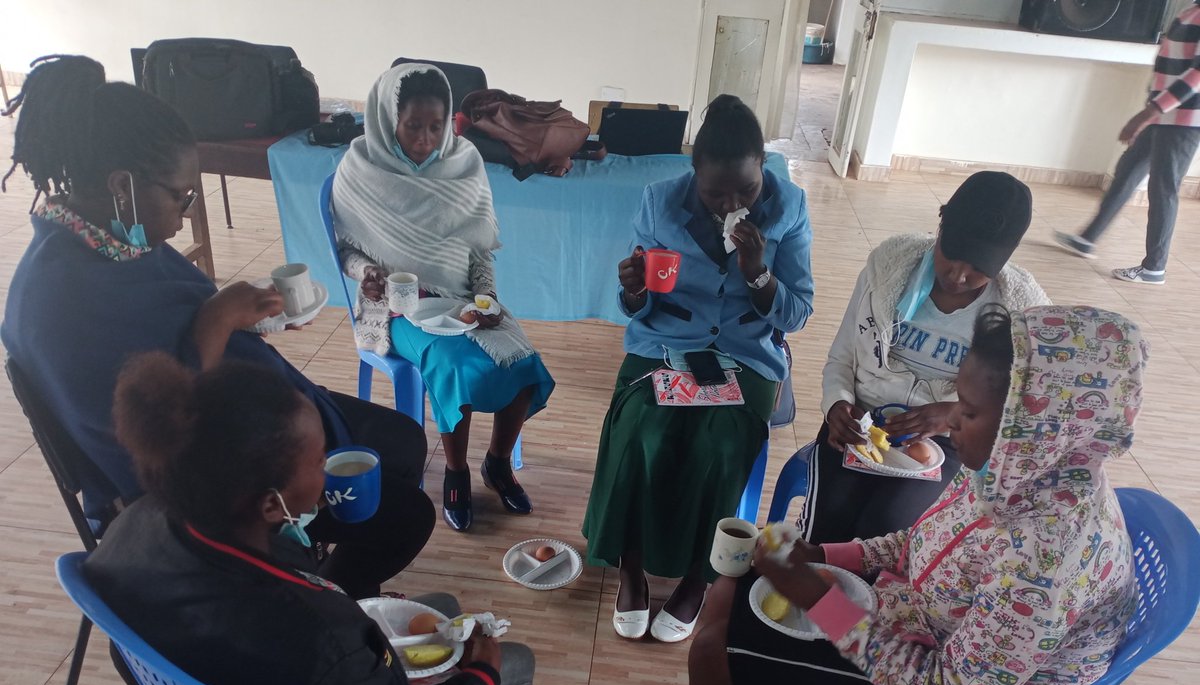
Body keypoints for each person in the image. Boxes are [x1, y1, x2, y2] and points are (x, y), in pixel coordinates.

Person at [631, 303, 1145, 685]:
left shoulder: (1048, 556)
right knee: (734, 586)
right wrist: (824, 554)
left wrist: (821, 601)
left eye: (967, 414)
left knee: (718, 646)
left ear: (1040, 426)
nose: (950, 425)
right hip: (913, 629)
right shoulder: (1015, 471)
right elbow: (920, 542)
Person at [84, 353, 571, 685]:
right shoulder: (318, 634)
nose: (328, 473)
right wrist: (481, 678)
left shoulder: (130, 532)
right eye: (319, 461)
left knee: (440, 607)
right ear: (272, 502)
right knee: (514, 664)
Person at [0, 55, 433, 599]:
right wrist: (219, 316)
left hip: (253, 418)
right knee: (405, 517)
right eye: (181, 195)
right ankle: (317, 600)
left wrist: (245, 320)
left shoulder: (109, 242)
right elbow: (156, 442)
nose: (184, 215)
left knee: (403, 442)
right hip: (219, 483)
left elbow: (171, 327)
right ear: (122, 187)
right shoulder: (65, 304)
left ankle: (330, 565)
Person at [582, 95, 814, 644]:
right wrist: (633, 291)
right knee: (644, 427)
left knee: (720, 444)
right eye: (715, 194)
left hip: (746, 354)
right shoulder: (660, 203)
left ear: (765, 168)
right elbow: (639, 303)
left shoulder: (791, 208)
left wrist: (759, 275)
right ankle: (632, 568)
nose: (731, 204)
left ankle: (697, 579)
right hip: (666, 344)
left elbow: (799, 312)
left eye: (747, 191)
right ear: (693, 175)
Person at [332, 64, 555, 533]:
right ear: (386, 117)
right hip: (398, 306)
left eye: (436, 126)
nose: (425, 139)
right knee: (453, 364)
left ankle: (497, 463)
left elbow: (478, 252)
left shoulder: (464, 162)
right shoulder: (359, 167)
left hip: (461, 296)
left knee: (524, 364)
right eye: (413, 125)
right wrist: (366, 273)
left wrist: (487, 300)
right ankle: (455, 472)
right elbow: (348, 250)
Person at [804, 171, 1047, 545]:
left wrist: (952, 415)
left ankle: (860, 602)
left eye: (979, 267)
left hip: (948, 441)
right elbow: (842, 357)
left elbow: (1019, 408)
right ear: (941, 224)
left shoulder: (1018, 315)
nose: (959, 275)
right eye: (952, 254)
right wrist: (837, 402)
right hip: (860, 423)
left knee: (886, 530)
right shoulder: (888, 269)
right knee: (825, 533)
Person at [1053, 1, 1200, 285]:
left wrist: (1149, 112)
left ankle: (1154, 268)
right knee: (1128, 170)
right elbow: (1167, 67)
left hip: (1183, 120)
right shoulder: (1191, 10)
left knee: (1163, 190)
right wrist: (1151, 111)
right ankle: (1087, 238)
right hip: (1163, 114)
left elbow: (1197, 75)